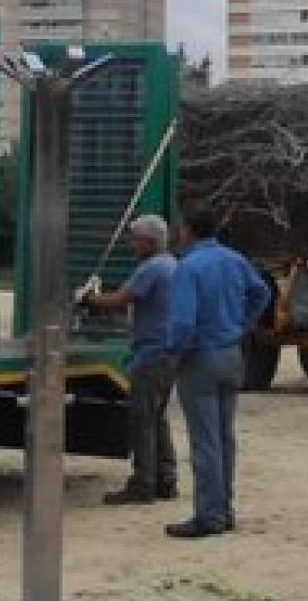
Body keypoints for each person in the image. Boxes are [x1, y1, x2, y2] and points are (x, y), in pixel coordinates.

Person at [162, 204, 271, 539]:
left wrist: (173, 352)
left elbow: (182, 321)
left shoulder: (188, 267)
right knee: (225, 437)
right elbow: (262, 292)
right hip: (231, 353)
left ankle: (208, 515)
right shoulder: (234, 260)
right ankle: (224, 509)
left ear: (188, 230)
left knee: (205, 441)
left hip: (200, 358)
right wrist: (242, 324)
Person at [78, 215, 180, 505]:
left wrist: (88, 299)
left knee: (142, 419)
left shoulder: (151, 268)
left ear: (149, 241)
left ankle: (143, 485)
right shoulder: (172, 265)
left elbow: (120, 300)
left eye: (135, 238)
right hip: (169, 352)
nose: (131, 244)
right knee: (158, 418)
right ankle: (166, 479)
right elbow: (137, 307)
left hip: (151, 354)